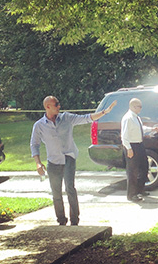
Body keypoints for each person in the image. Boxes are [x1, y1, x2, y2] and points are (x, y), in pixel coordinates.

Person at [30, 96, 116, 226]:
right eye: (56, 104)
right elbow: (34, 144)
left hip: (68, 158)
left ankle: (74, 221)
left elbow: (86, 118)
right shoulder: (39, 126)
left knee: (70, 189)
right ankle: (61, 220)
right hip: (53, 162)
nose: (59, 106)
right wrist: (37, 162)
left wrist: (104, 112)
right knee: (56, 193)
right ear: (48, 107)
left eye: (59, 103)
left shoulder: (66, 118)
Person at [121, 98, 154, 202]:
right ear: (133, 106)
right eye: (139, 106)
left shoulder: (136, 118)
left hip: (139, 144)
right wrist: (129, 149)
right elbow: (124, 136)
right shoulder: (128, 118)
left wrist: (152, 129)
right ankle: (131, 194)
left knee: (144, 167)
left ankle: (140, 190)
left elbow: (140, 128)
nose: (140, 108)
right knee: (133, 171)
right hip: (131, 145)